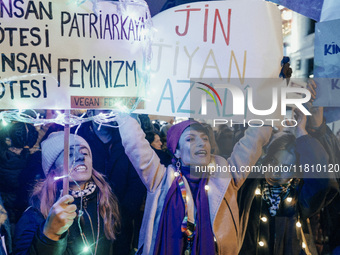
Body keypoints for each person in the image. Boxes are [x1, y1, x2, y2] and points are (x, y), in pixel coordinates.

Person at [115, 113, 272, 255]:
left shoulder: (226, 176)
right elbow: (134, 143)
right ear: (176, 151)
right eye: (191, 139)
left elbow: (252, 142)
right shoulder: (160, 178)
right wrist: (125, 110)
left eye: (205, 138)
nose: (201, 143)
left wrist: (267, 108)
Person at [238, 107, 338, 255]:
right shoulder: (248, 187)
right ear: (267, 160)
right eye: (274, 162)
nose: (277, 171)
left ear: (295, 172)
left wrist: (301, 132)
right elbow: (246, 149)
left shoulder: (298, 199)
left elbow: (321, 180)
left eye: (286, 167)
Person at [13, 132, 120, 254]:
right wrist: (49, 235)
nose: (81, 157)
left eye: (85, 153)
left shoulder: (105, 201)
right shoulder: (35, 214)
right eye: (69, 155)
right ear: (53, 169)